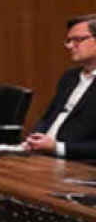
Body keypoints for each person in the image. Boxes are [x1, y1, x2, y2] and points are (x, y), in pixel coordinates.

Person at [26, 14, 96, 159]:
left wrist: (58, 148)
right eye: (69, 41)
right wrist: (35, 138)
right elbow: (48, 118)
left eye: (77, 40)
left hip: (80, 164)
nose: (70, 46)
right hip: (43, 157)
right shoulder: (70, 76)